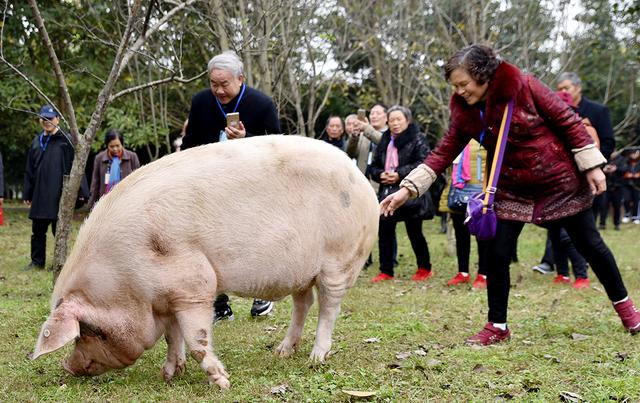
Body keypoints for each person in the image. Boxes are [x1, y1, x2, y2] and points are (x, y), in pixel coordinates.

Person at [381, 44, 640, 345]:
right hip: (509, 188)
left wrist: (592, 165)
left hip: (559, 181)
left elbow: (568, 121)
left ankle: (627, 310)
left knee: (591, 245)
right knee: (497, 253)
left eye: (464, 84)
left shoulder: (527, 87)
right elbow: (444, 151)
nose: (460, 91)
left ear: (483, 75)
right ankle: (498, 325)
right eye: (455, 86)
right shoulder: (467, 112)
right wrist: (406, 190)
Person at [181, 51, 281, 322]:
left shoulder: (261, 104)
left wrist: (248, 140)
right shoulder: (201, 101)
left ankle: (263, 294)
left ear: (240, 79)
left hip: (252, 188)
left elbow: (278, 149)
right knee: (212, 244)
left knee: (255, 240)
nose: (218, 90)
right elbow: (191, 143)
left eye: (224, 84)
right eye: (214, 83)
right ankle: (220, 304)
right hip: (211, 186)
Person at [369, 105, 434, 283]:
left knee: (415, 232)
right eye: (392, 120)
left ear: (407, 121)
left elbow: (424, 162)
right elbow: (373, 166)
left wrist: (399, 174)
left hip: (410, 193)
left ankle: (424, 268)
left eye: (399, 119)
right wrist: (380, 174)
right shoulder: (384, 140)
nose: (395, 123)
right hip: (387, 192)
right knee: (385, 231)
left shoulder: (417, 138)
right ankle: (386, 270)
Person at [23, 105, 87, 270]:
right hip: (39, 195)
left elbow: (77, 165)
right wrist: (27, 192)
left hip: (58, 195)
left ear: (57, 119)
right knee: (37, 230)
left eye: (50, 118)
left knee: (58, 231)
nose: (47, 122)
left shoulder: (66, 141)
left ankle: (60, 264)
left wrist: (82, 191)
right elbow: (29, 169)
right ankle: (37, 261)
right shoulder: (36, 141)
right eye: (44, 118)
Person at [557, 72, 615, 228]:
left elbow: (608, 142)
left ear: (578, 88)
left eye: (566, 87)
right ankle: (553, 253)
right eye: (559, 89)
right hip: (562, 178)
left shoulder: (598, 111)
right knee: (558, 223)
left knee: (585, 226)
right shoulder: (556, 111)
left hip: (590, 176)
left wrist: (594, 167)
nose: (563, 92)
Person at [441, 140, 488, 289]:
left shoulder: (486, 136)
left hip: (480, 193)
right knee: (461, 234)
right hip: (458, 192)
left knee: (482, 236)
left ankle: (483, 274)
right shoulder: (458, 137)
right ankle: (463, 272)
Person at [87, 129, 140, 209]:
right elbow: (95, 184)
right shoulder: (99, 159)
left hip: (128, 201)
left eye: (118, 146)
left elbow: (138, 182)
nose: (115, 149)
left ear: (122, 144)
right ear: (107, 145)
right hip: (106, 203)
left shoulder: (132, 157)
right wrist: (91, 206)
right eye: (112, 146)